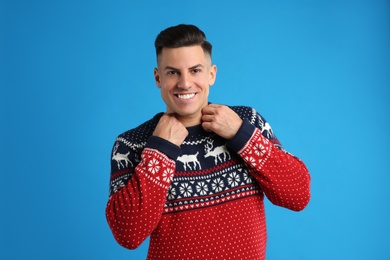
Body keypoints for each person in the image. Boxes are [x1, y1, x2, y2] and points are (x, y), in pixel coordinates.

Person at [106, 24, 311, 259]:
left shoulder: (247, 121)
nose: (185, 83)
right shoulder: (132, 143)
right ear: (157, 78)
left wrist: (241, 134)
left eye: (195, 70)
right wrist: (160, 150)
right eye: (173, 72)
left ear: (211, 74)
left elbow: (298, 194)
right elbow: (128, 235)